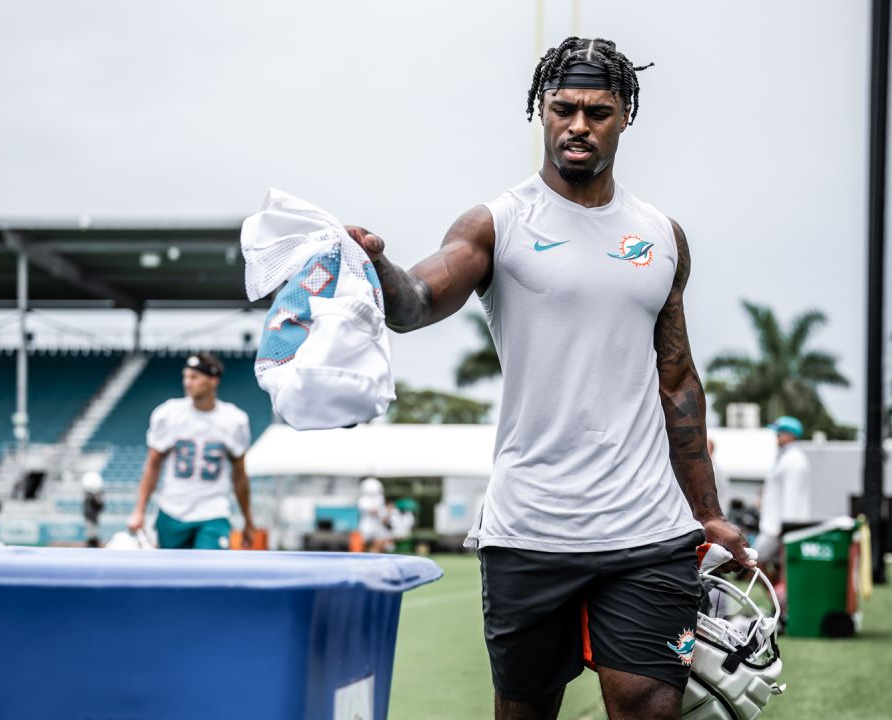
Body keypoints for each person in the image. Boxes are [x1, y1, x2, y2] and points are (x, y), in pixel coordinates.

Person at [344, 36, 751, 719]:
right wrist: (378, 266)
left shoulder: (661, 236)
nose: (578, 126)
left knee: (650, 707)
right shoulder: (497, 224)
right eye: (563, 108)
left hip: (647, 528)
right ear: (542, 111)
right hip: (532, 528)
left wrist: (706, 511)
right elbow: (413, 303)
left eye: (597, 111)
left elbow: (677, 380)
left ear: (626, 116)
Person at [127, 353, 257, 550]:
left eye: (194, 377)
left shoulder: (234, 420)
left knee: (210, 573)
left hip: (213, 512)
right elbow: (153, 465)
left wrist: (248, 520)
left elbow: (239, 475)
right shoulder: (169, 414)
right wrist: (139, 510)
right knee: (171, 576)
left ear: (213, 380)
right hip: (172, 510)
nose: (188, 382)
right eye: (185, 376)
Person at [756, 415, 811, 574]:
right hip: (777, 527)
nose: (776, 437)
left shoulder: (793, 460)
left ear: (790, 435)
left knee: (754, 563)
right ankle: (779, 597)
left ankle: (778, 597)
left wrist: (786, 529)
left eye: (779, 433)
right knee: (778, 567)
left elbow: (792, 497)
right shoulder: (788, 458)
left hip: (778, 528)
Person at [82, 471, 106, 548]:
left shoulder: (98, 496)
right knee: (91, 533)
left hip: (94, 518)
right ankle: (91, 544)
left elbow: (100, 506)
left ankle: (93, 544)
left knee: (93, 534)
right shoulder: (88, 496)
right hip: (90, 518)